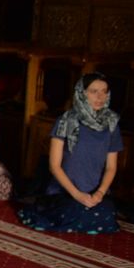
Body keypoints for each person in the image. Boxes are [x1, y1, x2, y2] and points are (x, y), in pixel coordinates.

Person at [19, 74, 121, 234]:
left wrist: (100, 193)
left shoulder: (112, 123)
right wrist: (77, 194)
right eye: (94, 91)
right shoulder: (65, 121)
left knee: (106, 214)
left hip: (95, 192)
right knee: (73, 211)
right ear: (81, 93)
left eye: (104, 91)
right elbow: (54, 166)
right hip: (64, 191)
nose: (100, 97)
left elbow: (111, 167)